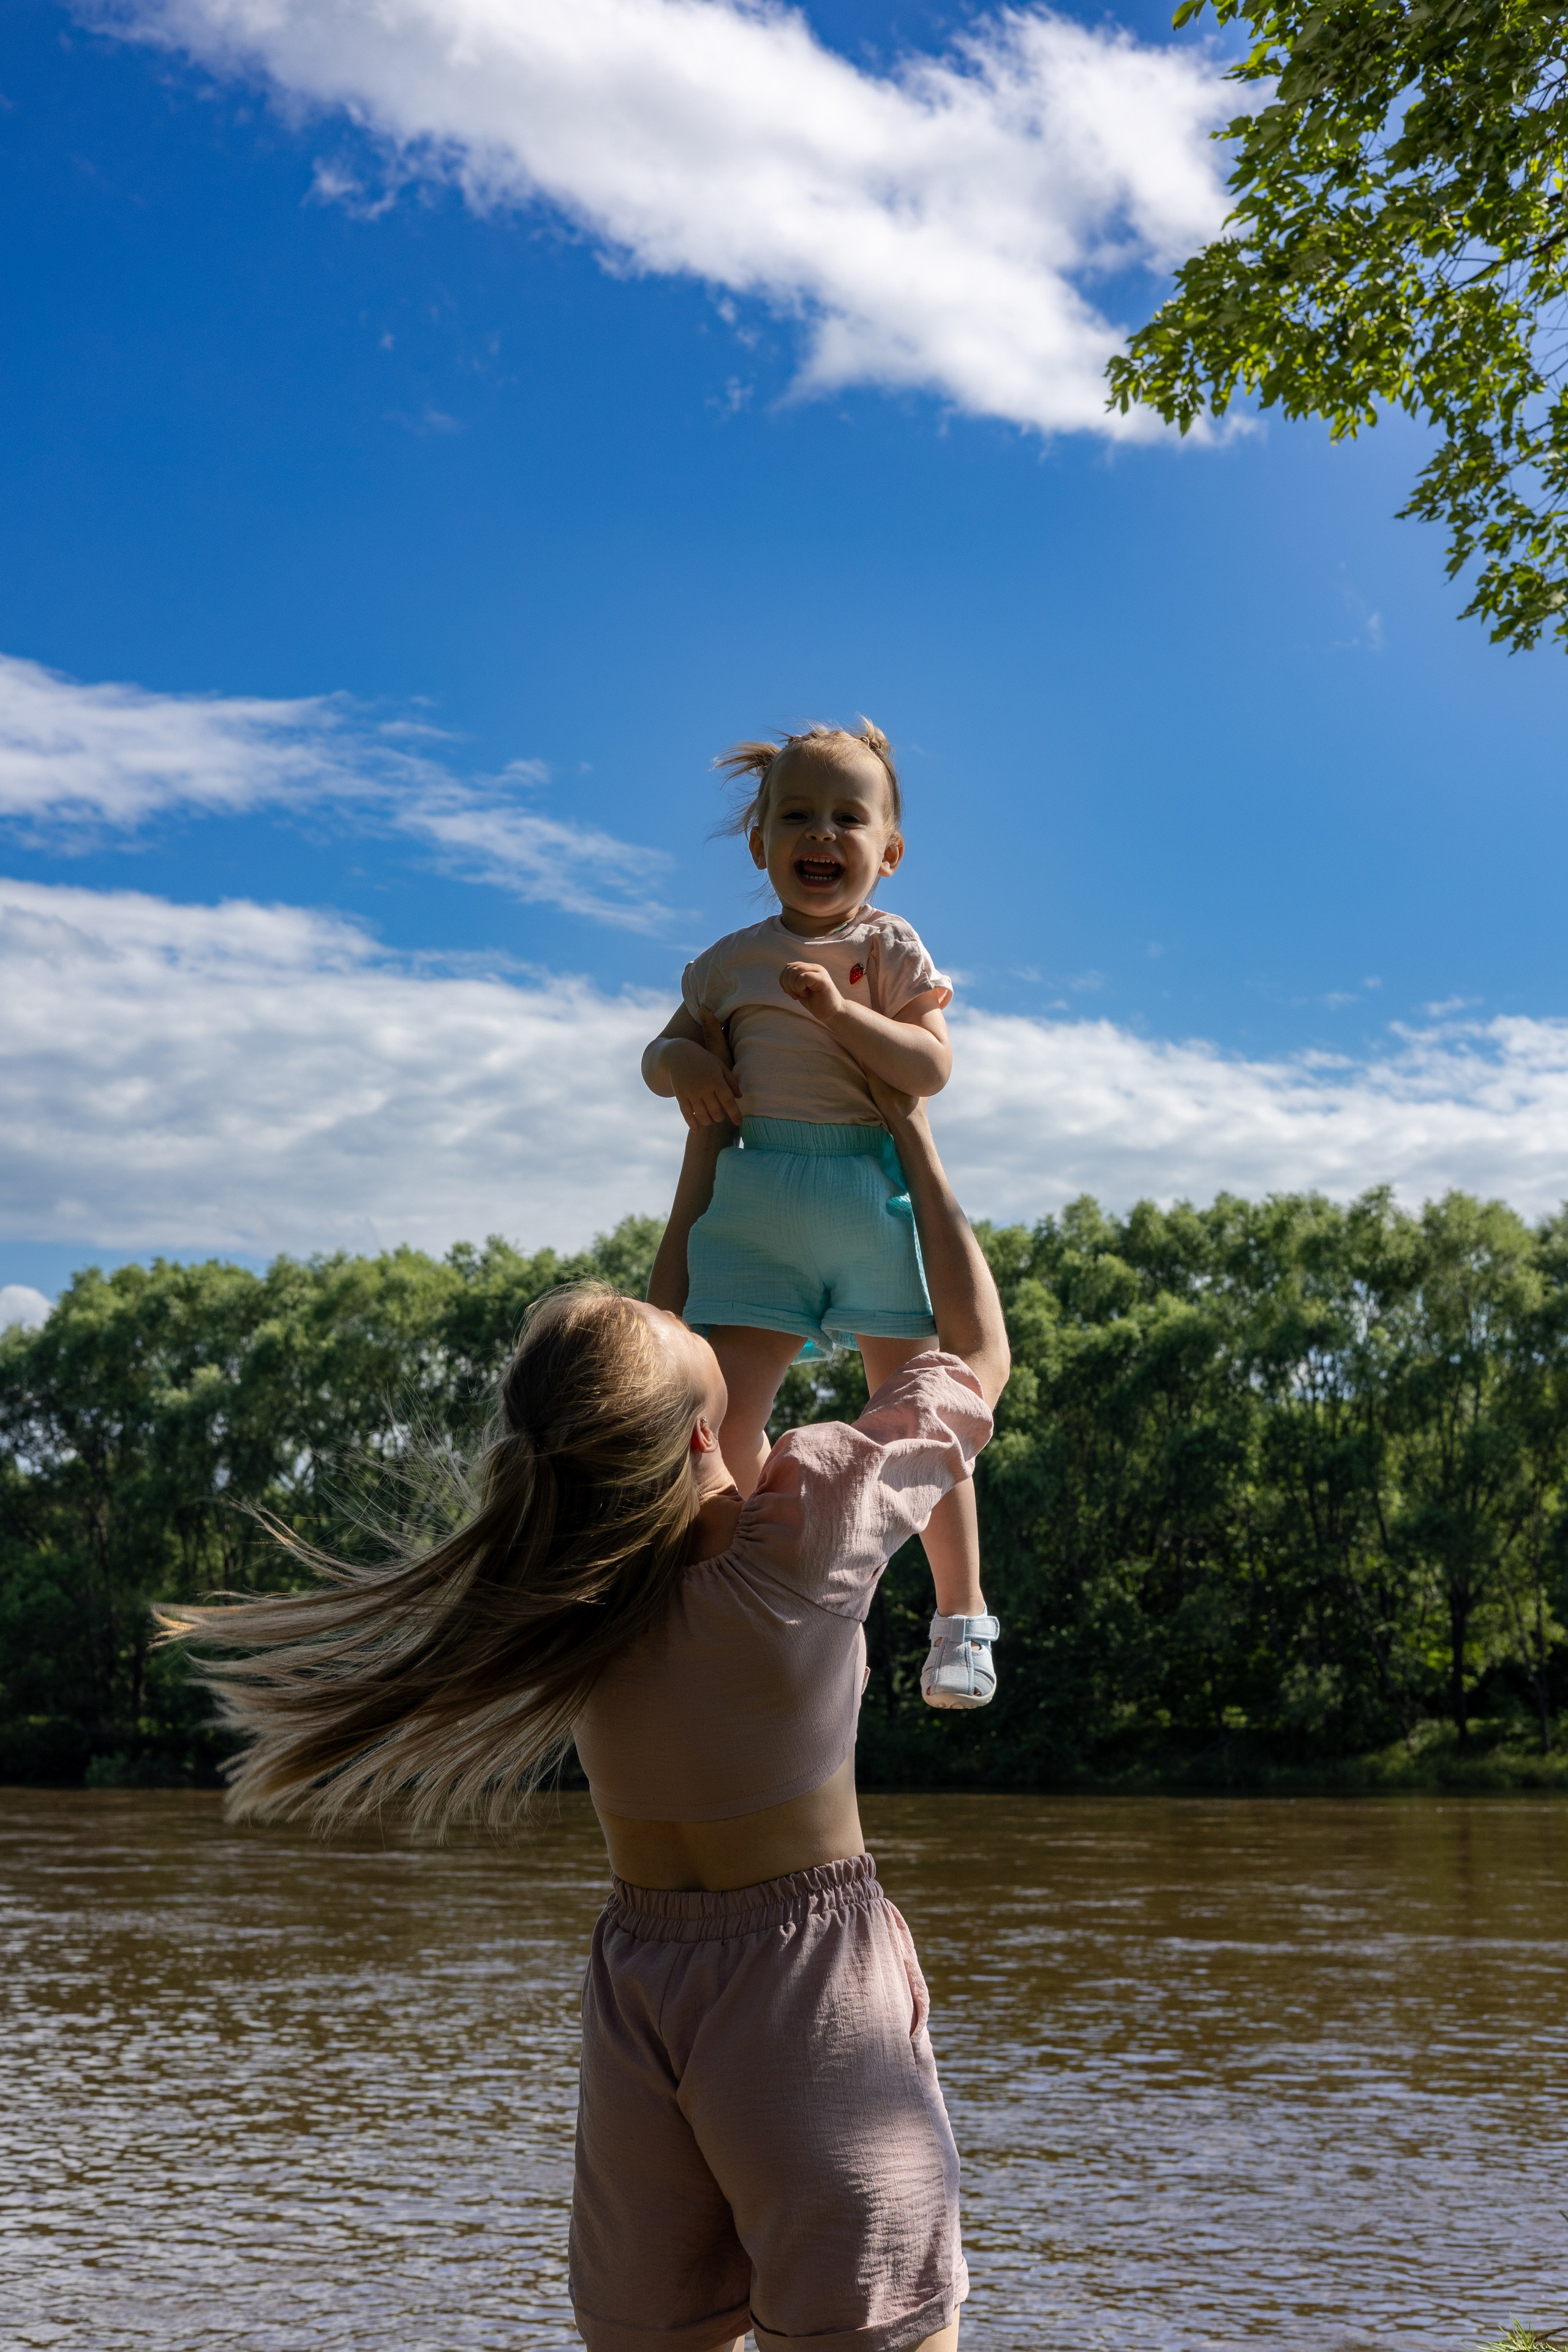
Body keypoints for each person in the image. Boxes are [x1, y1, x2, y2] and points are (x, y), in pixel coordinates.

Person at [162, 1079, 1009, 2352]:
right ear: (694, 1433)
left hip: (638, 1992)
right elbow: (976, 1356)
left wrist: (704, 1160)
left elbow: (650, 1356)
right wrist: (913, 1137)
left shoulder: (571, 1588)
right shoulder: (803, 1535)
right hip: (805, 1991)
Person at [641, 718, 997, 1713]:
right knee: (720, 1419)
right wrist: (692, 1065)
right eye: (797, 815)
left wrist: (842, 1016)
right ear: (760, 842)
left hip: (867, 1195)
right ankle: (758, 1579)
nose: (822, 834)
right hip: (757, 1205)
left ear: (888, 851)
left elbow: (930, 1068)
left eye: (850, 817)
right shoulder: (726, 964)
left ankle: (961, 1615)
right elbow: (658, 1059)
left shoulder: (888, 945)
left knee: (929, 1411)